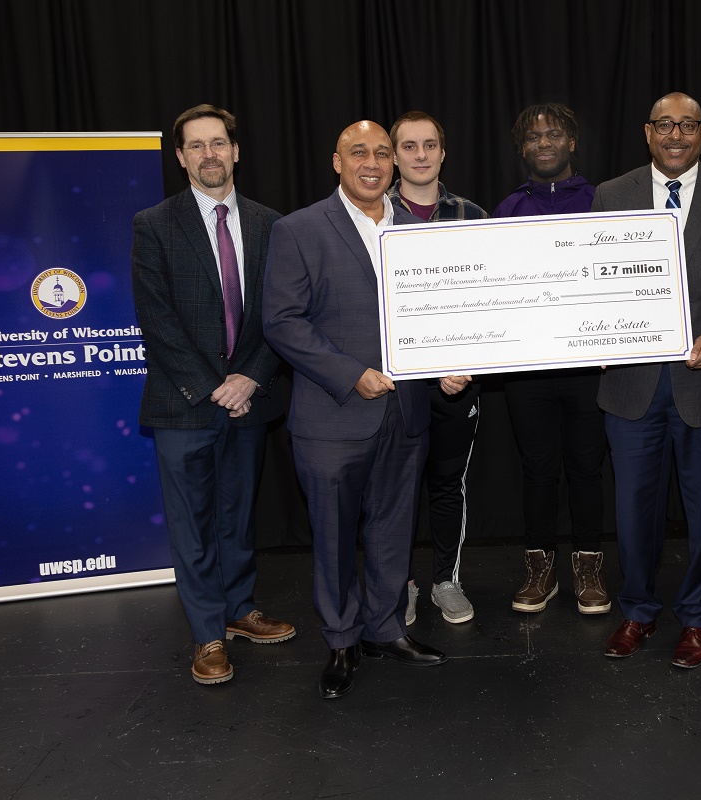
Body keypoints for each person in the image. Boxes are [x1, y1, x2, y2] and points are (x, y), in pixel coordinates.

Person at [263, 120, 454, 701]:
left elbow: (441, 310)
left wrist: (453, 358)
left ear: (395, 163)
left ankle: (385, 629)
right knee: (336, 537)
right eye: (358, 153)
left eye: (381, 153)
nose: (372, 163)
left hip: (408, 413)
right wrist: (352, 374)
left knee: (395, 531)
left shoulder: (419, 231)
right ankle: (342, 639)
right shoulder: (297, 230)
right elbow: (282, 322)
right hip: (333, 416)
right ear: (337, 162)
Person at [593, 92, 701, 668]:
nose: (675, 135)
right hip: (630, 386)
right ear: (647, 132)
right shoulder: (610, 196)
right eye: (664, 125)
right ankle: (637, 611)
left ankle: (699, 618)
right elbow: (589, 282)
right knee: (632, 513)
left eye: (686, 126)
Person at [132, 104, 295, 686]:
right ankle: (207, 633)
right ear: (181, 157)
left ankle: (238, 609)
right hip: (183, 404)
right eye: (196, 145)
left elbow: (282, 315)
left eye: (218, 143)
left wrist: (249, 377)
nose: (209, 154)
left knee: (236, 515)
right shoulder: (154, 224)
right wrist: (214, 388)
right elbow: (157, 320)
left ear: (234, 150)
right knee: (193, 524)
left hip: (250, 396)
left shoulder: (271, 224)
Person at [492, 103, 610, 616]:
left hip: (592, 369)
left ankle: (588, 566)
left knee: (587, 468)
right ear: (522, 149)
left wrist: (618, 342)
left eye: (554, 133)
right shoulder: (506, 209)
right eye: (533, 136)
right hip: (528, 370)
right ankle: (540, 567)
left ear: (572, 143)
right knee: (538, 468)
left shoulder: (606, 201)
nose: (544, 142)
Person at [386, 111, 488, 626]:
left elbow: (493, 303)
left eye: (429, 145)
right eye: (409, 146)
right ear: (394, 153)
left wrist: (466, 362)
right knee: (397, 488)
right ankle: (398, 584)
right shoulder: (371, 214)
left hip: (456, 385)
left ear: (443, 153)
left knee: (448, 486)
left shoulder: (473, 215)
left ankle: (446, 580)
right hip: (390, 387)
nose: (420, 155)